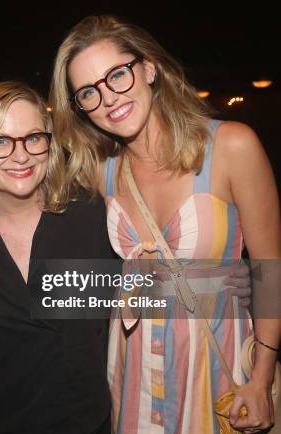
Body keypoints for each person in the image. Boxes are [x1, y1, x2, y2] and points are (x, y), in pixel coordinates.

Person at [49, 15, 280, 433]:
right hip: (131, 366)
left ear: (149, 68)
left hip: (216, 365)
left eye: (117, 75)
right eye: (88, 92)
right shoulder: (98, 172)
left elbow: (271, 272)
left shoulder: (231, 146)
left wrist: (262, 378)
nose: (108, 99)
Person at [0, 81, 114, 434]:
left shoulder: (90, 215)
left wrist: (221, 285)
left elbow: (135, 295)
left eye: (34, 137)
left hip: (88, 424)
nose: (22, 156)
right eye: (0, 142)